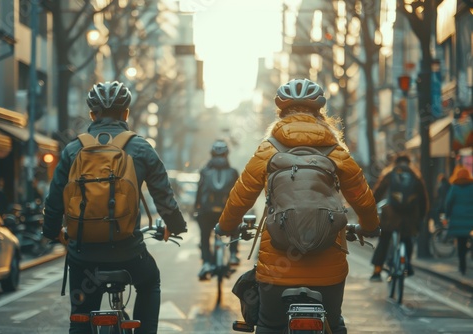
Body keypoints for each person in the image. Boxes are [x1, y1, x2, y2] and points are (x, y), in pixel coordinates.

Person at [216, 78, 380, 334]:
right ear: (319, 113)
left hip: (277, 270)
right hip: (329, 270)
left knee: (269, 325)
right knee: (334, 324)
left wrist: (226, 225)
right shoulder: (336, 152)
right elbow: (362, 196)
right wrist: (370, 226)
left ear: (280, 114)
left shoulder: (267, 150)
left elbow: (240, 196)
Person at [42, 81, 188, 334]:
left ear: (92, 115)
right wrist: (175, 226)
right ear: (126, 113)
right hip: (128, 253)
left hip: (83, 256)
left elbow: (54, 202)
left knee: (81, 315)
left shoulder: (72, 150)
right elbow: (164, 198)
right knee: (150, 282)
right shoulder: (141, 148)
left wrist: (53, 231)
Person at [369, 153, 429, 281]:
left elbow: (378, 192)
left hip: (392, 215)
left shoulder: (391, 174)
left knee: (384, 240)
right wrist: (421, 217)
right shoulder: (415, 176)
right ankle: (407, 265)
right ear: (409, 163)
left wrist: (370, 208)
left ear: (395, 163)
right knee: (407, 239)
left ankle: (377, 271)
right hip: (409, 217)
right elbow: (423, 200)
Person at [194, 139, 240, 280]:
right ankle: (232, 254)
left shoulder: (205, 171)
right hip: (225, 212)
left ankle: (206, 262)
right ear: (227, 154)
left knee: (205, 235)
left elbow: (199, 193)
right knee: (235, 226)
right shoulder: (233, 172)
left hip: (207, 212)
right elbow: (238, 193)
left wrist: (195, 208)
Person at [444, 165, 473, 276]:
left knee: (461, 244)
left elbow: (448, 203)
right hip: (471, 220)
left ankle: (462, 266)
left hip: (458, 220)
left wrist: (447, 215)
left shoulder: (454, 187)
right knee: (469, 239)